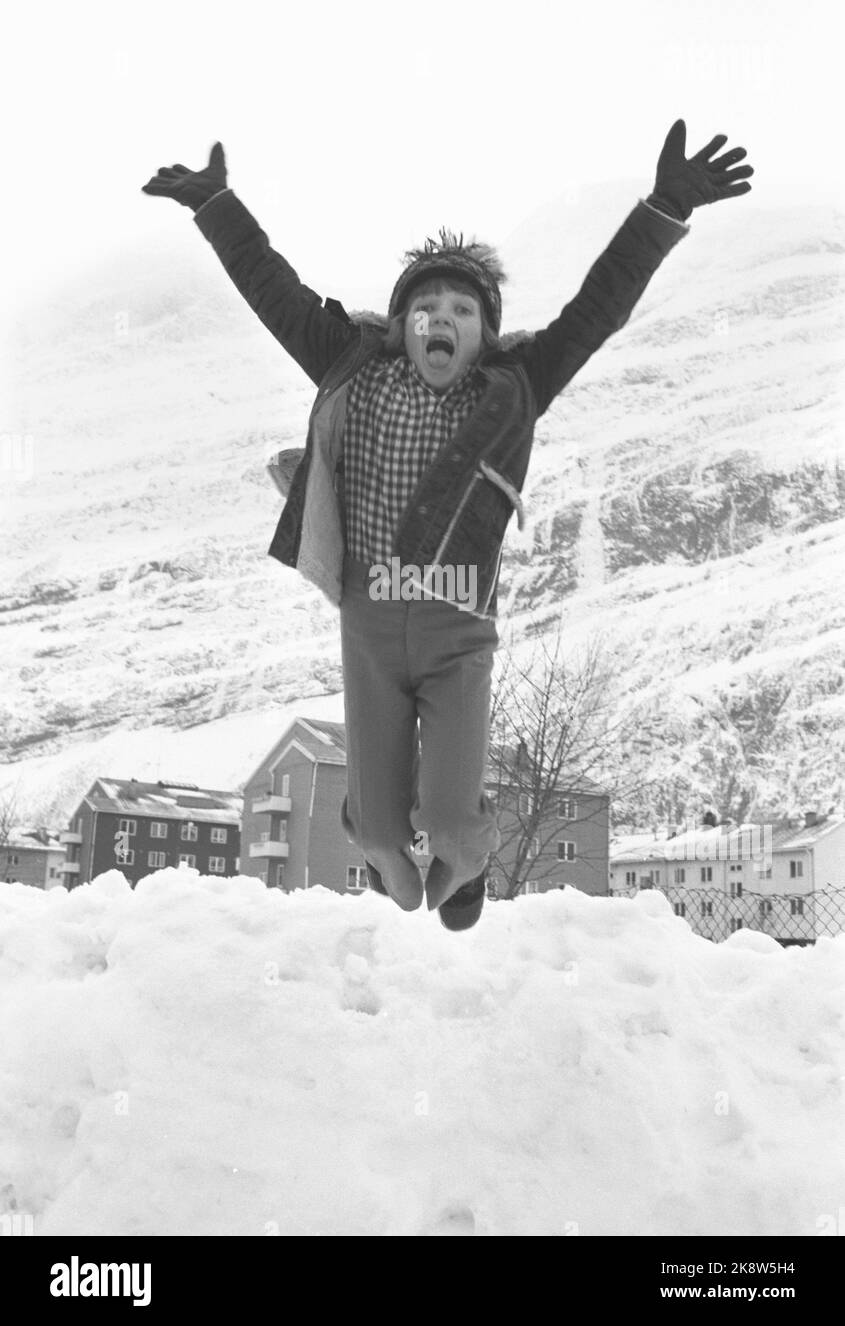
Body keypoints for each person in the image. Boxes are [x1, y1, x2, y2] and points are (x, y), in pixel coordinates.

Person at [142, 122, 753, 929]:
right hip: (366, 622)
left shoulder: (514, 385)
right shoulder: (351, 364)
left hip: (457, 628)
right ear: (399, 325)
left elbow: (596, 309)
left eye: (462, 308)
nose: (441, 317)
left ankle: (463, 870)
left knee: (455, 818)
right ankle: (384, 851)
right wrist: (217, 205)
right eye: (424, 306)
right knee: (382, 824)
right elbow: (271, 288)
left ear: (485, 332)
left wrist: (665, 205)